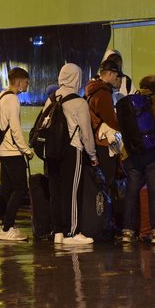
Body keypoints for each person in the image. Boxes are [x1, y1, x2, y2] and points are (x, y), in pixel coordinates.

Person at [46, 63, 99, 245]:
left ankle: (58, 232)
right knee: (73, 191)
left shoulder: (51, 99)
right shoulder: (79, 102)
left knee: (56, 191)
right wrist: (92, 155)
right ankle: (73, 232)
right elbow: (86, 133)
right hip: (71, 150)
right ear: (77, 78)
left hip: (51, 152)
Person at [119, 75, 155, 245]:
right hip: (152, 154)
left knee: (132, 192)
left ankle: (127, 231)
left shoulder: (130, 100)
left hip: (132, 154)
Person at [0, 67, 33, 242]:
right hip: (12, 151)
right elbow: (15, 128)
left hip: (3, 150)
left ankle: (5, 224)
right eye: (26, 81)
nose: (27, 85)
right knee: (20, 189)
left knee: (6, 189)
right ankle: (7, 227)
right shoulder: (12, 100)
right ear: (18, 82)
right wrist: (26, 149)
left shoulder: (1, 96)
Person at [85, 59, 123, 194]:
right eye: (116, 75)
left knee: (101, 180)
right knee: (107, 179)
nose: (117, 79)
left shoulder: (92, 89)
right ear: (111, 74)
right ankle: (105, 212)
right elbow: (112, 121)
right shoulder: (103, 93)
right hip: (104, 143)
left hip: (96, 140)